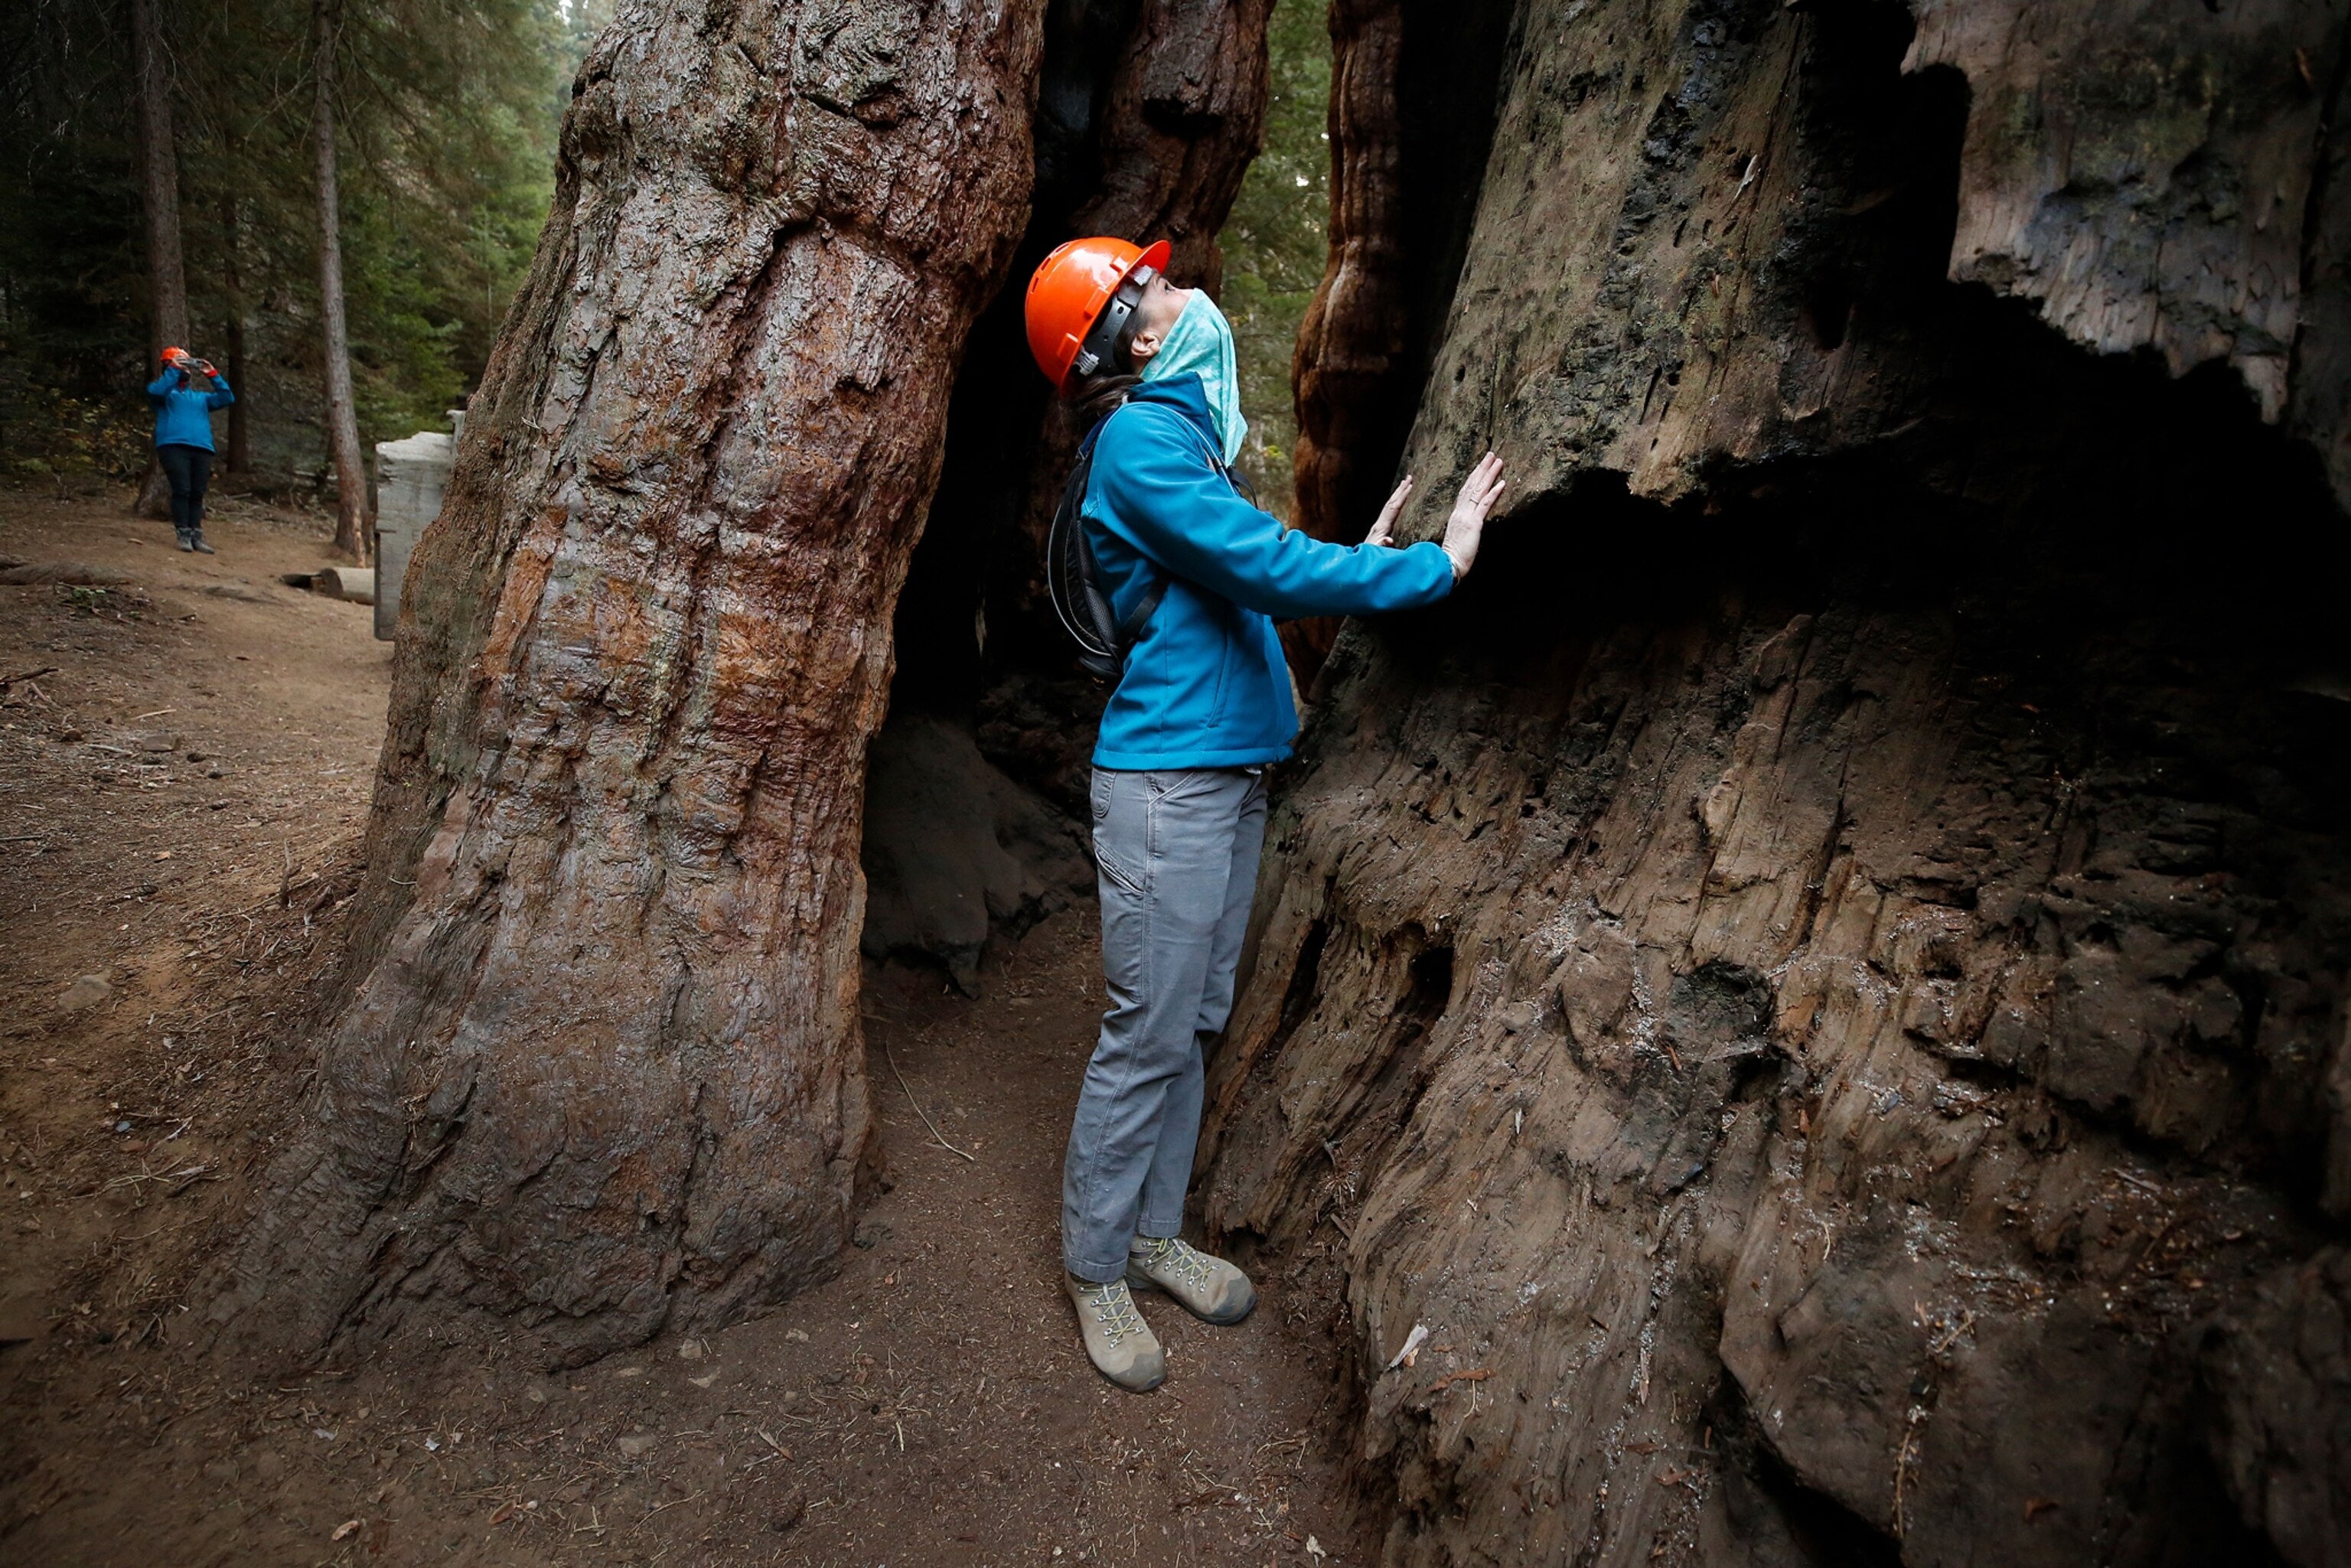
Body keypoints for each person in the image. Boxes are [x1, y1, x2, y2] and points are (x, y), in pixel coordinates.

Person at [1022, 236, 1507, 1392]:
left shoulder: (1182, 441)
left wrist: (1357, 552)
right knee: (1147, 1033)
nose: (1195, 294)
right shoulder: (1142, 440)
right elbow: (1262, 567)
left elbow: (1229, 590)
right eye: (1170, 285)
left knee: (1192, 1025)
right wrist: (1432, 568)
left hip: (1225, 775)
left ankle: (1151, 1234)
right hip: (1165, 788)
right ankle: (1096, 1267)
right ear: (1139, 333)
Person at [145, 347, 235, 553]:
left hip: (202, 447)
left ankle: (196, 534)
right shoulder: (163, 394)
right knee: (182, 489)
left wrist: (212, 373)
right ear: (168, 366)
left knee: (197, 492)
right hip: (173, 446)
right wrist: (174, 370)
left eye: (187, 365)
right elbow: (158, 391)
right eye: (180, 364)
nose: (186, 369)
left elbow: (227, 397)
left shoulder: (200, 398)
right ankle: (183, 533)